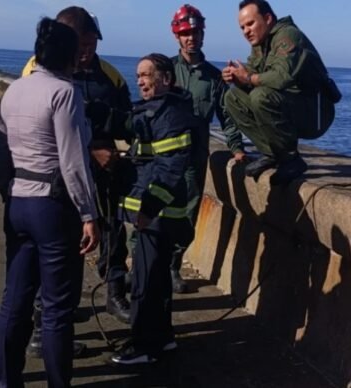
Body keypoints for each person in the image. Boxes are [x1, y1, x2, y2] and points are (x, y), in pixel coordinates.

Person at [0, 17, 101, 388]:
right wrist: (89, 214)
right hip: (53, 208)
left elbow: (2, 154)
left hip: (18, 202)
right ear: (69, 57)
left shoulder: (12, 91)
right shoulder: (64, 92)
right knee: (56, 309)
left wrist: (6, 192)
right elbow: (73, 162)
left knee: (14, 302)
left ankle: (9, 381)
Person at [21, 7, 133, 359]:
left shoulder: (111, 76)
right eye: (81, 45)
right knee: (57, 250)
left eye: (91, 44)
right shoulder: (38, 72)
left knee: (114, 232)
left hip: (103, 174)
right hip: (58, 180)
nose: (86, 52)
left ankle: (115, 293)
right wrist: (91, 150)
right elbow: (43, 130)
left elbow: (126, 121)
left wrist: (114, 151)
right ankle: (45, 326)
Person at [112, 53, 196, 364]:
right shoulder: (160, 110)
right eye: (138, 76)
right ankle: (163, 338)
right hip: (160, 213)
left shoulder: (170, 116)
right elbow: (131, 125)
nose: (140, 81)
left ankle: (143, 346)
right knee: (158, 278)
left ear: (166, 79)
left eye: (147, 75)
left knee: (145, 280)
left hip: (156, 214)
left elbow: (170, 167)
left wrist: (148, 208)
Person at [168, 4, 242, 293]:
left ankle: (173, 265)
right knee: (155, 211)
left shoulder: (214, 77)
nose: (191, 38)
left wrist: (236, 148)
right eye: (185, 33)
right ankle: (146, 265)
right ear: (177, 36)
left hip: (194, 158)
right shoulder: (166, 70)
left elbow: (228, 117)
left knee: (188, 215)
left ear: (202, 34)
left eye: (195, 32)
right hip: (164, 156)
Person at [222, 0, 338, 185]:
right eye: (242, 27)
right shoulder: (260, 45)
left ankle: (291, 160)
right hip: (290, 106)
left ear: (268, 19)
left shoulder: (288, 36)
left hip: (315, 113)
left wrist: (249, 78)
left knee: (261, 96)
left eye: (250, 24)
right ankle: (272, 153)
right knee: (232, 97)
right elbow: (251, 78)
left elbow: (281, 77)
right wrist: (238, 79)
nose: (246, 31)